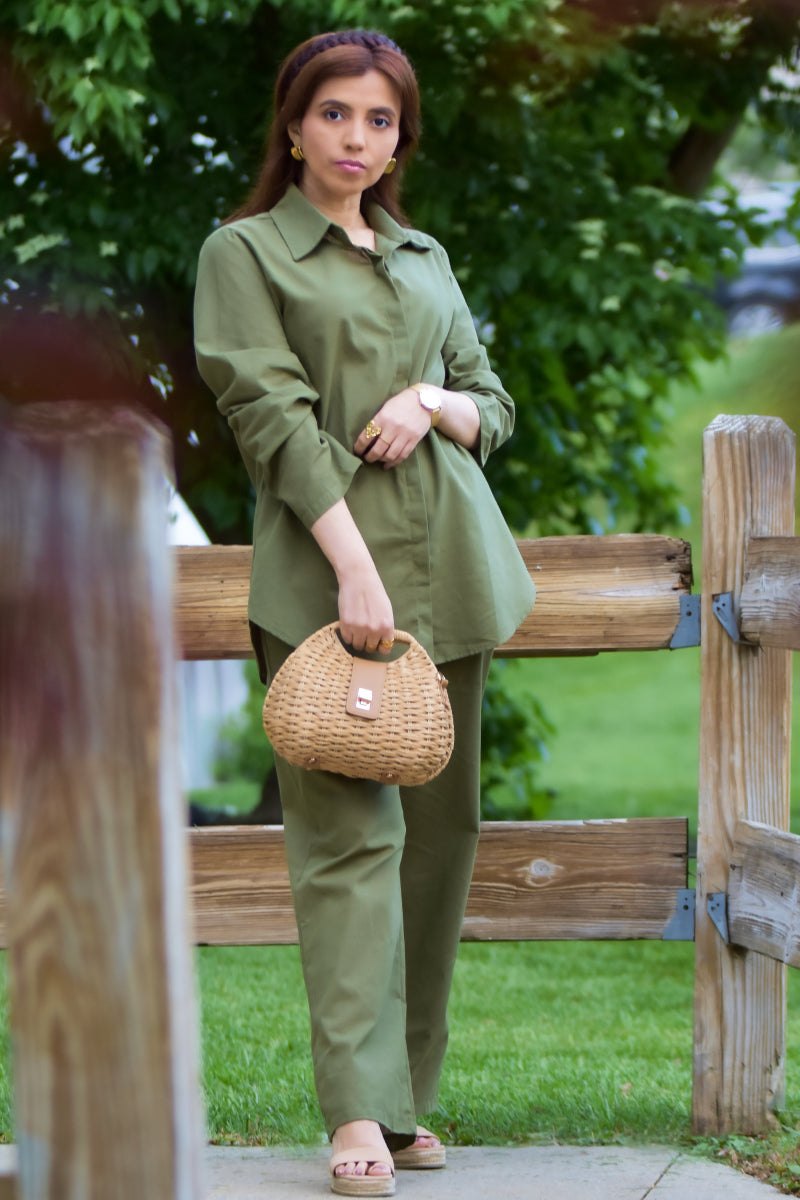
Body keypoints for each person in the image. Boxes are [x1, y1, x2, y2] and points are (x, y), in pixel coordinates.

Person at [193, 29, 535, 1197]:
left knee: (439, 847)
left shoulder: (421, 253)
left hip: (451, 576)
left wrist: (435, 399)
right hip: (330, 582)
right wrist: (349, 567)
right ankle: (350, 1112)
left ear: (399, 136)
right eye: (334, 114)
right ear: (292, 127)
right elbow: (269, 417)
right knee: (346, 849)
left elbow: (492, 403)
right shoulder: (244, 253)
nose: (356, 138)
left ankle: (403, 1106)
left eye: (378, 120)